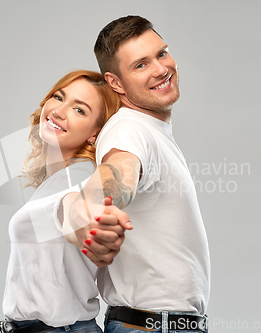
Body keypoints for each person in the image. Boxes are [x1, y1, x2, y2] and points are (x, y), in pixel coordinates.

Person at [60, 16, 210, 333]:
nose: (160, 69)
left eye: (161, 53)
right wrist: (87, 214)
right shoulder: (130, 131)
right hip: (151, 327)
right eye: (140, 65)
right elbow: (114, 179)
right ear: (116, 83)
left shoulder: (150, 130)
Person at [0, 70, 131, 333]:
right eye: (59, 97)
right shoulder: (58, 178)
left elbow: (76, 208)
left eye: (79, 110)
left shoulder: (82, 177)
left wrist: (79, 213)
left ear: (95, 133)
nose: (59, 111)